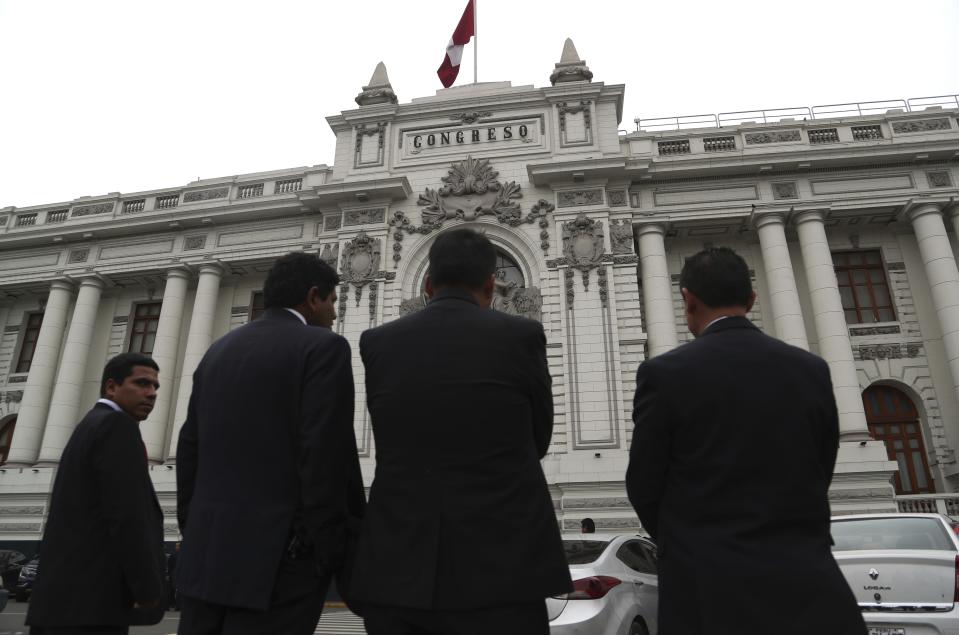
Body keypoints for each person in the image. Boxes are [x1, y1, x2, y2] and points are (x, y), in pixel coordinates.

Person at [625, 247, 866, 635]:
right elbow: (822, 466)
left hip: (708, 588)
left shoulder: (664, 375)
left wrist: (688, 538)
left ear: (687, 298)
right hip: (805, 584)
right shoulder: (810, 370)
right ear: (752, 300)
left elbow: (644, 484)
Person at [353, 228, 571, 635]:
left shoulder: (379, 343)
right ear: (491, 285)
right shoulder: (520, 336)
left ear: (428, 285)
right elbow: (538, 438)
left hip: (400, 566)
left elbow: (390, 435)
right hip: (502, 568)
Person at [175, 252, 365, 635]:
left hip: (207, 556)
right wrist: (326, 549)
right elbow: (325, 456)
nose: (332, 313)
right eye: (332, 302)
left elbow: (189, 449)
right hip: (280, 562)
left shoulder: (218, 351)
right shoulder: (323, 347)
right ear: (314, 296)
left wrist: (194, 529)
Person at [27, 353, 166, 635]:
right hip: (93, 602)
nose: (151, 393)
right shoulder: (117, 427)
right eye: (141, 383)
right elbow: (128, 515)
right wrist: (147, 588)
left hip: (63, 602)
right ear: (111, 387)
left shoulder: (90, 425)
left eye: (155, 387)